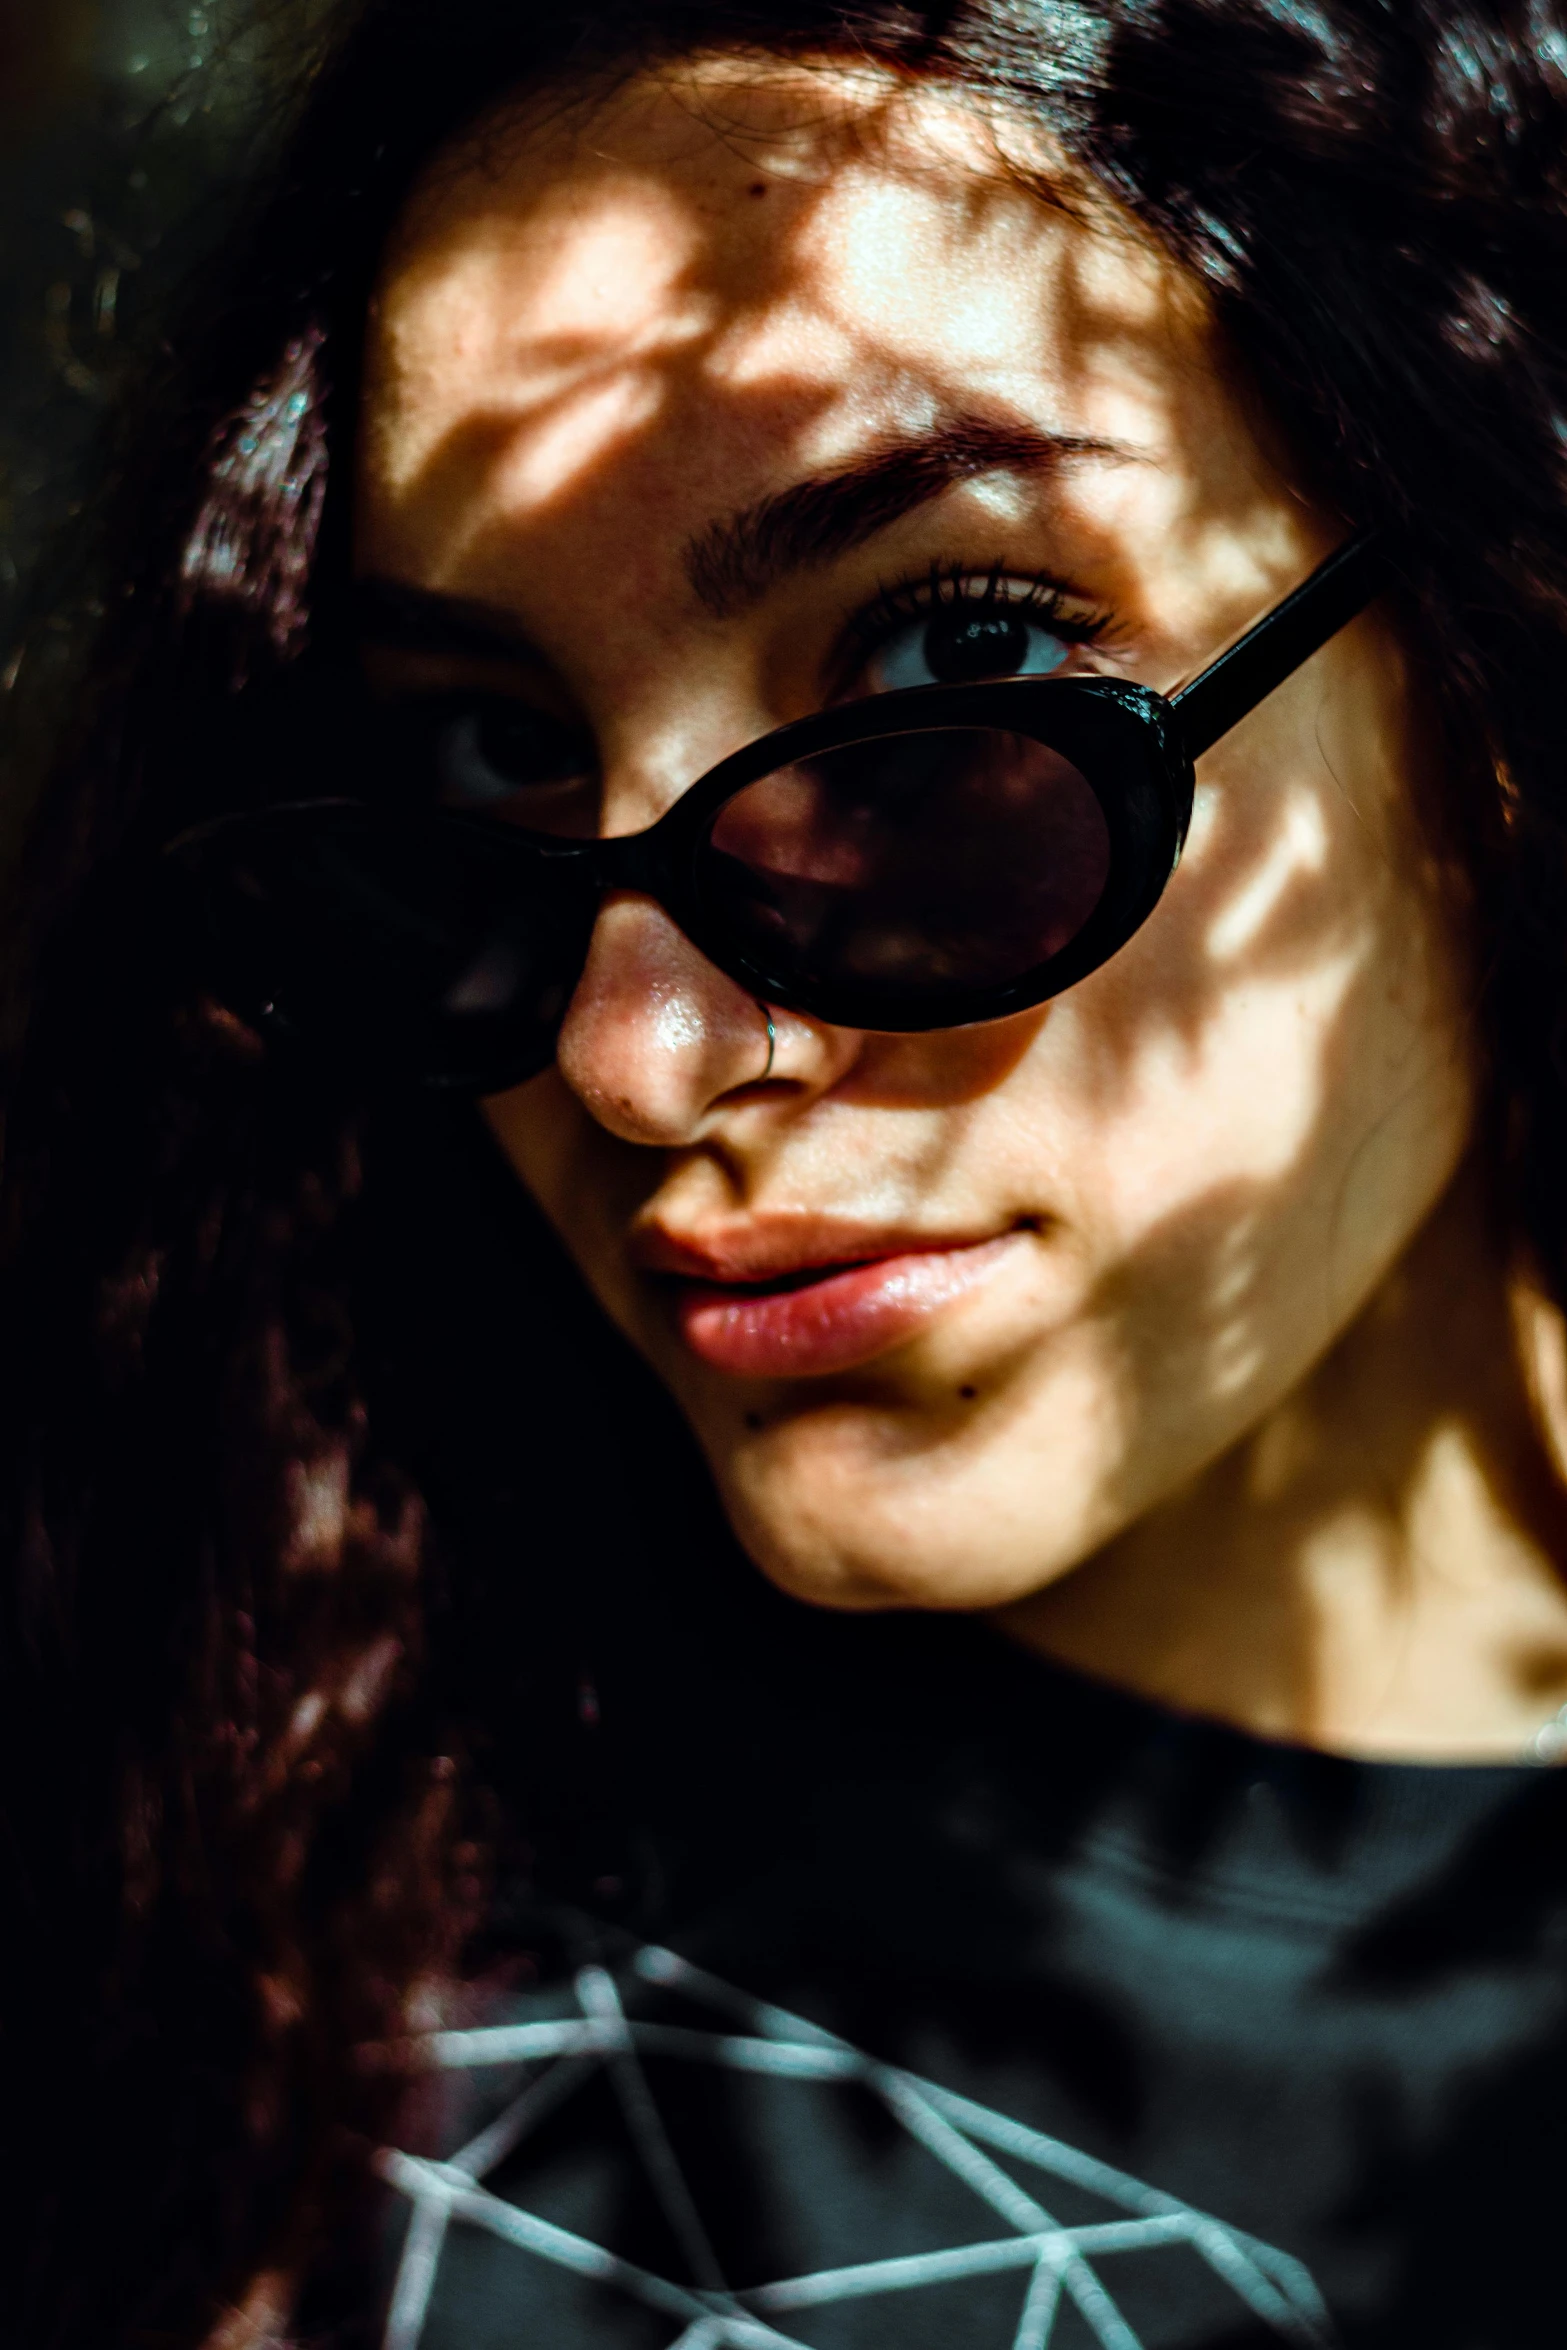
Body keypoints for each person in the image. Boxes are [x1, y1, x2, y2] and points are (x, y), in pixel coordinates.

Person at [5, 0, 1567, 2342]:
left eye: (949, 670)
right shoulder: (215, 1780)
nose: (633, 1054)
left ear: (1492, 641)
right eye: (491, 757)